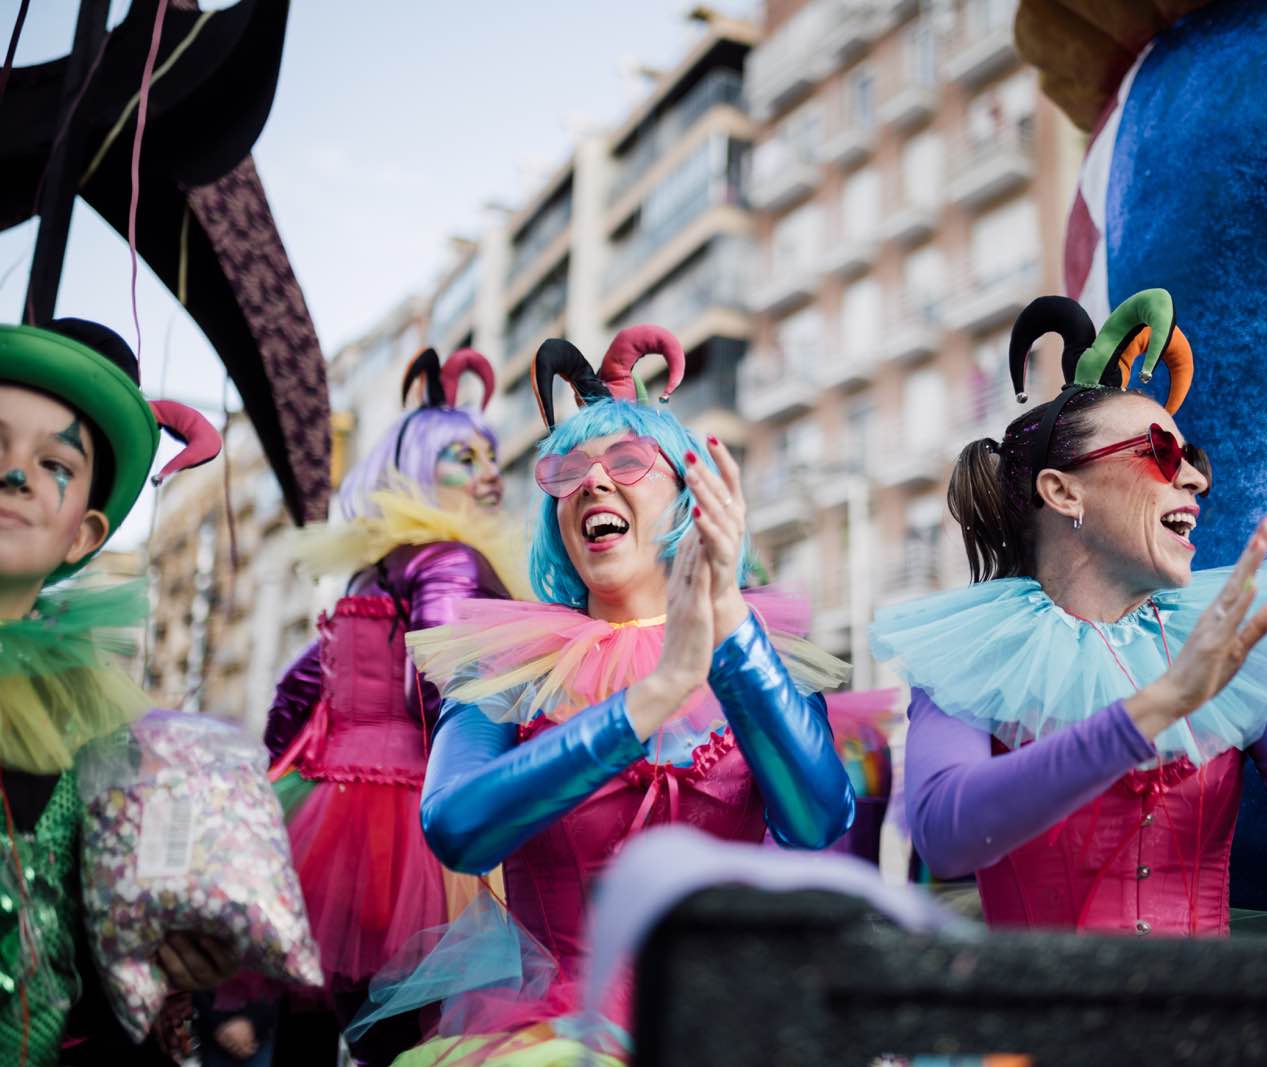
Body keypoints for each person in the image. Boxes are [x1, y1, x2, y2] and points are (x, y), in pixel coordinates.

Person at [355, 325, 856, 1064]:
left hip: (734, 1032)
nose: (592, 481)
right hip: (556, 1039)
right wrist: (647, 702)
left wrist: (727, 627)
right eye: (567, 470)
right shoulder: (511, 668)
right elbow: (456, 827)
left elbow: (818, 819)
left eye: (626, 461)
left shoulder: (763, 656)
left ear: (691, 496)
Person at [871, 293, 1267, 936]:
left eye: (1193, 461)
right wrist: (1159, 706)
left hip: (1210, 1029)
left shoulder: (1225, 644)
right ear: (1063, 491)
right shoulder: (974, 653)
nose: (1196, 482)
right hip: (1038, 1029)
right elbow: (947, 834)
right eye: (1160, 452)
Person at [260, 348, 523, 1066]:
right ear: (417, 468)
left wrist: (279, 790)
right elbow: (443, 683)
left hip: (325, 820)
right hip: (410, 822)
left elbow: (296, 689)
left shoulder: (374, 567)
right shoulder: (449, 559)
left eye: (490, 456)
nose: (490, 473)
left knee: (326, 1015)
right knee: (422, 1036)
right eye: (463, 457)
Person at [0, 318, 239, 1064]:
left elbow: (133, 922)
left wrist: (178, 942)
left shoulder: (104, 729)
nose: (14, 475)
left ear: (83, 532)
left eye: (54, 462)